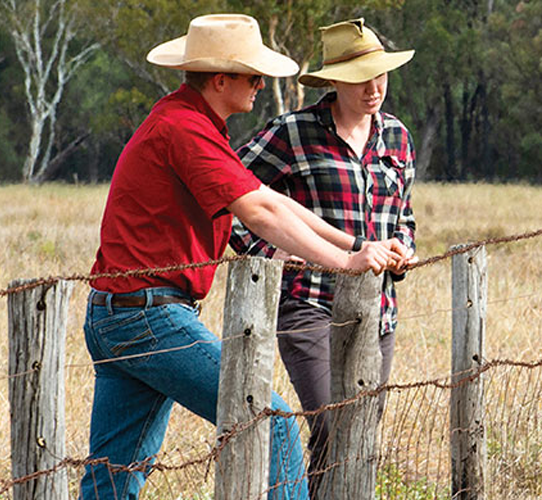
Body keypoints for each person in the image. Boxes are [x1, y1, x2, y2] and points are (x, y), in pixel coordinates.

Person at [79, 14, 411, 500]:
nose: (260, 85)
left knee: (112, 478)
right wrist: (346, 264)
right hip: (147, 314)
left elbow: (276, 201)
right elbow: (258, 213)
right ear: (220, 80)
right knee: (268, 422)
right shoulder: (184, 129)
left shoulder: (192, 122)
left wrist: (355, 247)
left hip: (124, 313)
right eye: (252, 76)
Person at [228, 18, 416, 497]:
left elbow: (404, 215)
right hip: (309, 303)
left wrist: (403, 246)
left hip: (378, 308)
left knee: (359, 436)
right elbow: (225, 192)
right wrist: (273, 254)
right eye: (360, 78)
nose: (374, 88)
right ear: (333, 82)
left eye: (381, 75)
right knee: (332, 424)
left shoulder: (396, 137)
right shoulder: (293, 132)